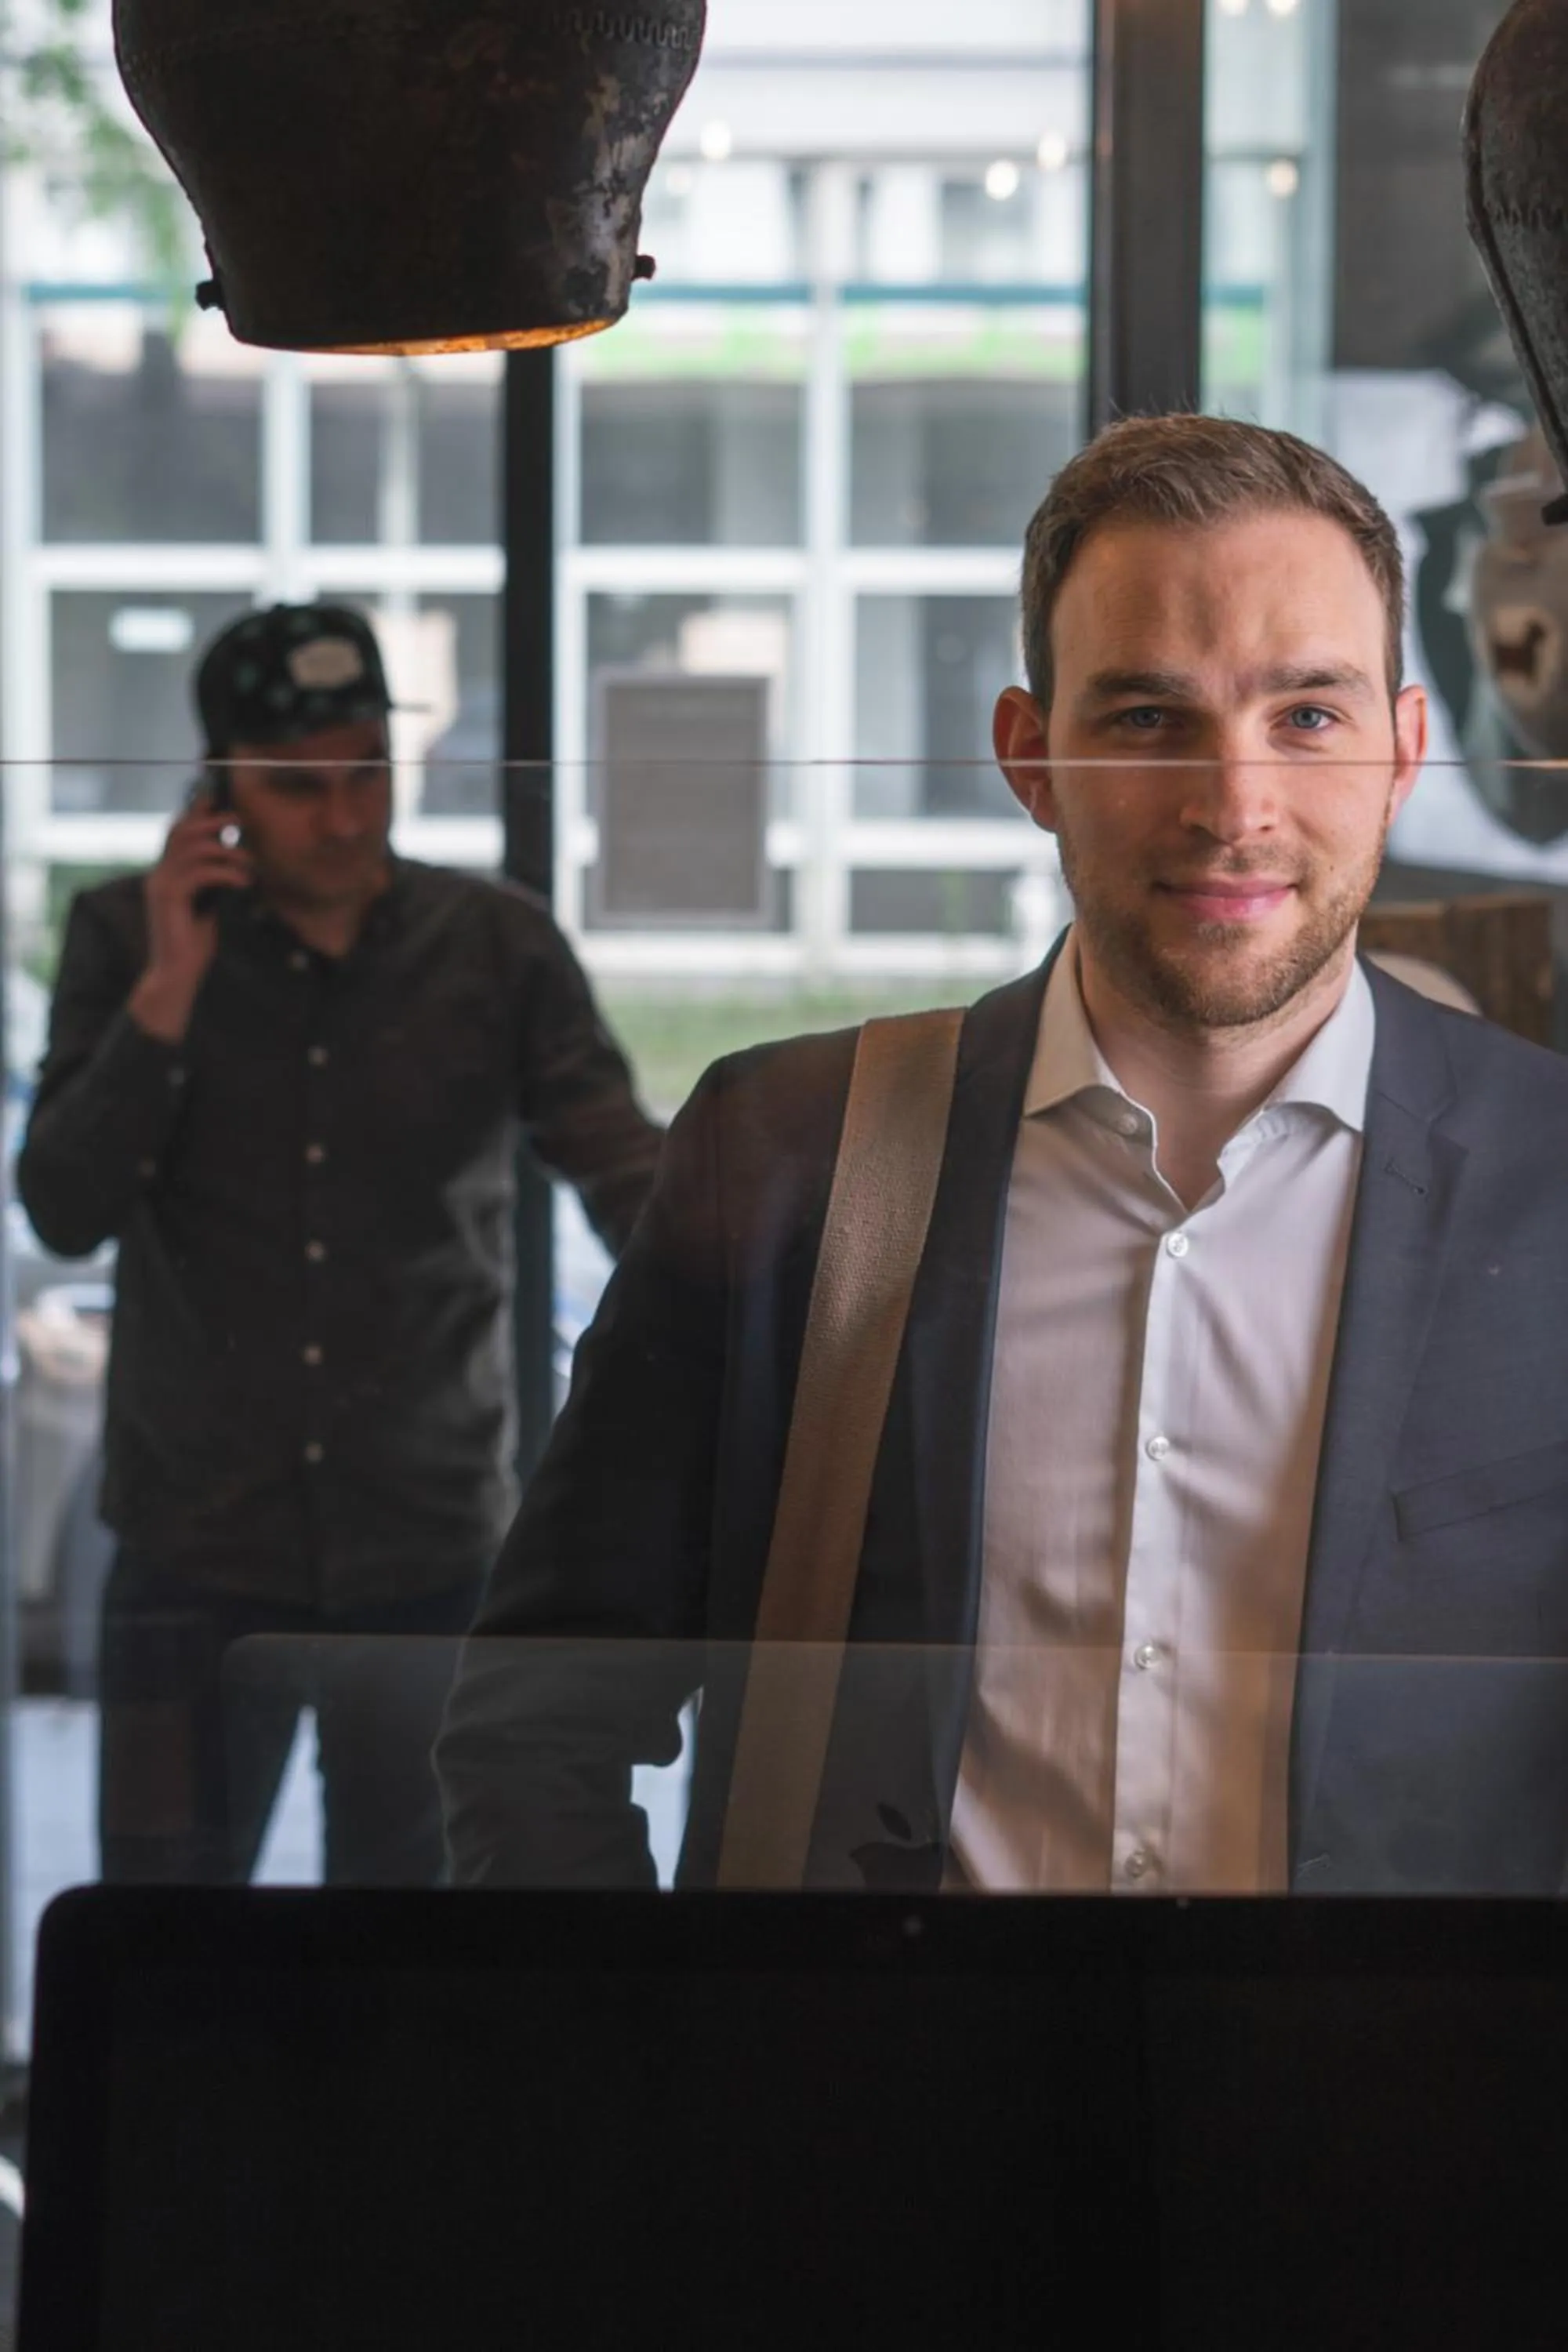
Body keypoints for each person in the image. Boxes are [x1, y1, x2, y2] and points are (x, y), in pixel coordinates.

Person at [440, 412, 1568, 1899]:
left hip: (1390, 2119)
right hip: (879, 2113)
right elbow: (540, 1728)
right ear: (1032, 758)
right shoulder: (789, 1160)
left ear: (1402, 752)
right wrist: (664, 2084)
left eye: (1307, 716)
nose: (1235, 807)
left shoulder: (1551, 1181)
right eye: (1149, 719)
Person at [19, 601, 663, 1885]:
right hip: (192, 1546)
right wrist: (165, 994)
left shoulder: (494, 945)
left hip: (428, 1547)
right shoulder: (121, 938)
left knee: (406, 1964)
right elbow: (62, 1206)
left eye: (367, 772)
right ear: (221, 791)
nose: (346, 816)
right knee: (167, 1948)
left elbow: (620, 1169)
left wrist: (759, 1250)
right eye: (298, 787)